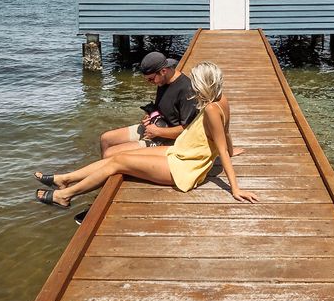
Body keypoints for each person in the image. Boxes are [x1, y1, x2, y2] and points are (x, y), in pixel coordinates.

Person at [34, 62, 258, 206]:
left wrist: (234, 188)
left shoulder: (210, 109)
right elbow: (226, 133)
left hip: (184, 169)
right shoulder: (221, 100)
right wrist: (231, 149)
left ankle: (65, 195)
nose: (193, 88)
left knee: (118, 161)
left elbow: (220, 141)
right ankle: (66, 179)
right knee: (113, 157)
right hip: (179, 152)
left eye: (196, 83)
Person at [100, 51, 197, 157]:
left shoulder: (186, 90)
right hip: (156, 128)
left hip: (170, 140)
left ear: (163, 71)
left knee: (110, 153)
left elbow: (188, 130)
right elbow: (162, 109)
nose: (150, 83)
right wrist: (149, 117)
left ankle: (114, 169)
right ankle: (109, 170)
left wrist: (158, 131)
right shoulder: (163, 81)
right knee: (106, 139)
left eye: (151, 79)